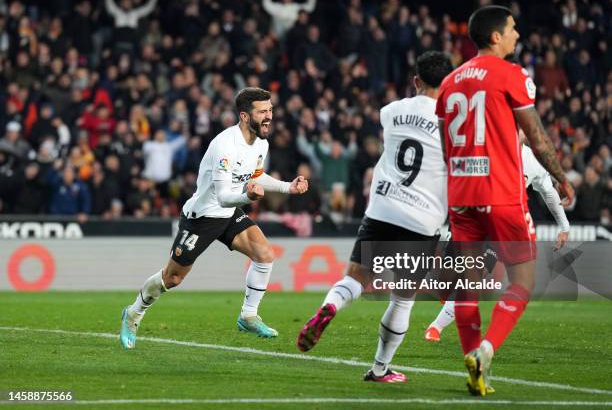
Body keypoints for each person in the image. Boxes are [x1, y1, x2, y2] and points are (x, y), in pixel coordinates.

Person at [434, 6, 574, 396]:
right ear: (496, 36)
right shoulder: (512, 75)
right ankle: (486, 349)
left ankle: (472, 368)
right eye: (512, 28)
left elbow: (446, 146)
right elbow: (537, 136)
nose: (517, 34)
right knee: (523, 281)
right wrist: (561, 178)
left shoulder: (449, 82)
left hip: (461, 195)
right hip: (501, 194)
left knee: (467, 286)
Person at [296, 51, 454, 382]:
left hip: (382, 208)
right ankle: (380, 368)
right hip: (423, 219)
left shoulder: (391, 112)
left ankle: (331, 307)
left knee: (355, 278)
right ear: (449, 83)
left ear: (416, 81)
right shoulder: (453, 125)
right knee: (403, 299)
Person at [120, 87, 309, 349]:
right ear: (244, 116)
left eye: (271, 110)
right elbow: (223, 196)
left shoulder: (261, 144)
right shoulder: (225, 145)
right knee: (172, 279)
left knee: (265, 254)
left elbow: (255, 175)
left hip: (229, 214)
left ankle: (248, 315)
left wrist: (289, 187)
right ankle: (133, 313)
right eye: (263, 111)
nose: (269, 116)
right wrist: (249, 196)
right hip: (203, 216)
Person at [425, 130, 571, 342]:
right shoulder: (489, 148)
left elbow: (548, 193)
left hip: (500, 229)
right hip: (472, 218)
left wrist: (564, 226)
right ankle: (446, 297)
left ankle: (435, 327)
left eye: (521, 129)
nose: (518, 132)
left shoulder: (533, 161)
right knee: (447, 278)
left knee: (475, 276)